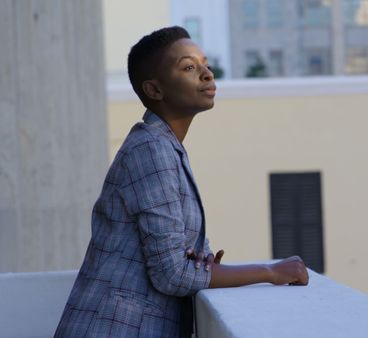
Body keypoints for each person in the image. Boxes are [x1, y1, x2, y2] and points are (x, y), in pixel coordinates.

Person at [54, 26, 309, 338]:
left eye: (206, 65)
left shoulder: (164, 146)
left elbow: (173, 259)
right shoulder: (150, 150)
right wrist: (271, 271)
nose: (206, 74)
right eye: (189, 67)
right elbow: (171, 274)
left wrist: (199, 261)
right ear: (155, 90)